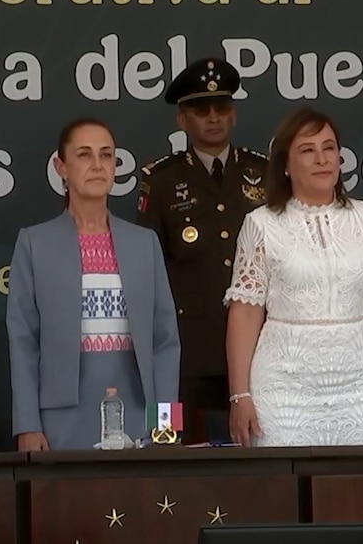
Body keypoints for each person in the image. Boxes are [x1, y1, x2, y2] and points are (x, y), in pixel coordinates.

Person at [223, 106, 363, 447]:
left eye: (329, 148)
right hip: (284, 391)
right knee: (282, 493)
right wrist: (240, 395)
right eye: (308, 151)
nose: (322, 159)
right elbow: (245, 314)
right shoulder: (261, 224)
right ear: (285, 165)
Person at [7, 117, 180, 451]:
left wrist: (166, 424)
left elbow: (165, 341)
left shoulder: (144, 243)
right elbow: (23, 341)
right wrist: (27, 424)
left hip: (138, 411)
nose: (97, 165)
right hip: (62, 418)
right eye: (84, 155)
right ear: (61, 167)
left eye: (106, 155)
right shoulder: (35, 243)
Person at [135, 57, 268, 444]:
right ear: (182, 120)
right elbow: (150, 266)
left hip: (257, 346)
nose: (213, 117)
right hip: (187, 348)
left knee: (257, 452)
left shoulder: (264, 172)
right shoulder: (161, 180)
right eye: (201, 110)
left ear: (234, 115)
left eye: (222, 108)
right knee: (179, 449)